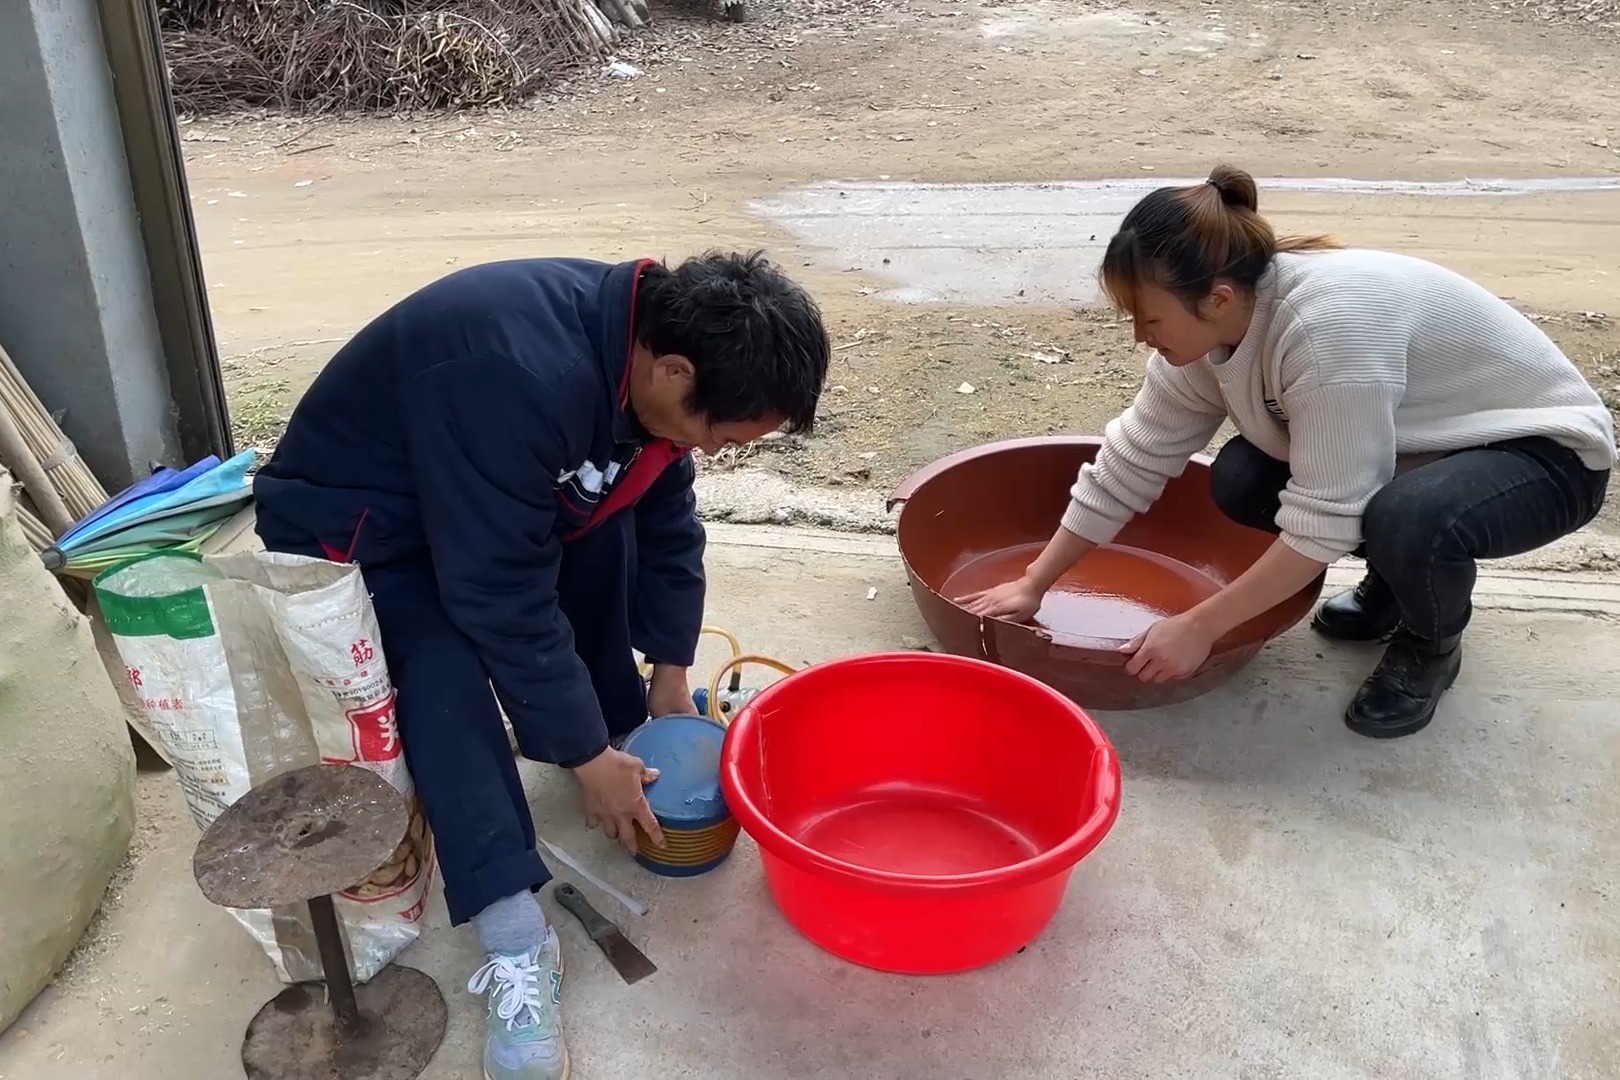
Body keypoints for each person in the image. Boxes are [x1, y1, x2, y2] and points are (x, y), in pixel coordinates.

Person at [252, 251, 829, 1080]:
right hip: (365, 519)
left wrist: (668, 679)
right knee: (442, 670)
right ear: (673, 371)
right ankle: (517, 936)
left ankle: (610, 730)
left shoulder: (650, 357)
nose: (718, 449)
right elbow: (497, 591)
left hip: (483, 496)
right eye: (722, 434)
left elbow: (665, 516)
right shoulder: (516, 373)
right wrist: (585, 756)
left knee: (607, 527)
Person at [965, 165, 1614, 740]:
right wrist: (1035, 582)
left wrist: (1201, 625)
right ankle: (1393, 585)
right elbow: (1130, 461)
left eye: (1151, 319)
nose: (1140, 336)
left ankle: (1431, 643)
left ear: (1217, 298)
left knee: (1411, 519)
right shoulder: (1204, 341)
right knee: (1242, 477)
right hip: (1423, 452)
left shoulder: (1327, 330)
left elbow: (1327, 516)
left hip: (1543, 456)